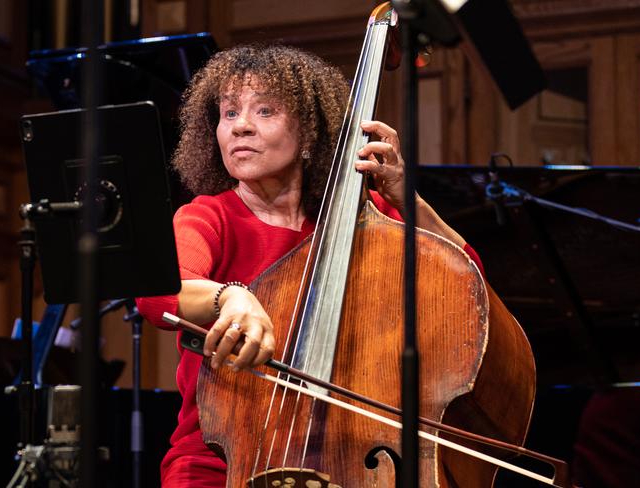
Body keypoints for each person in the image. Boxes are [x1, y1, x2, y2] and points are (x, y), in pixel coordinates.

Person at [136, 44, 484, 487]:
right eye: (228, 113)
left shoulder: (361, 224)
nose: (240, 126)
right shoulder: (208, 216)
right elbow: (157, 291)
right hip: (219, 464)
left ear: (309, 133)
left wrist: (407, 201)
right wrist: (231, 295)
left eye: (265, 111)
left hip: (347, 456)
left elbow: (464, 280)